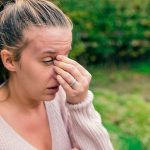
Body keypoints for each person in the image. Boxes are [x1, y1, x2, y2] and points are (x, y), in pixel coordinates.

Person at [0, 0, 114, 150]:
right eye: (48, 60)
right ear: (10, 60)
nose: (62, 71)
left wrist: (80, 104)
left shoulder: (63, 100)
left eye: (66, 57)